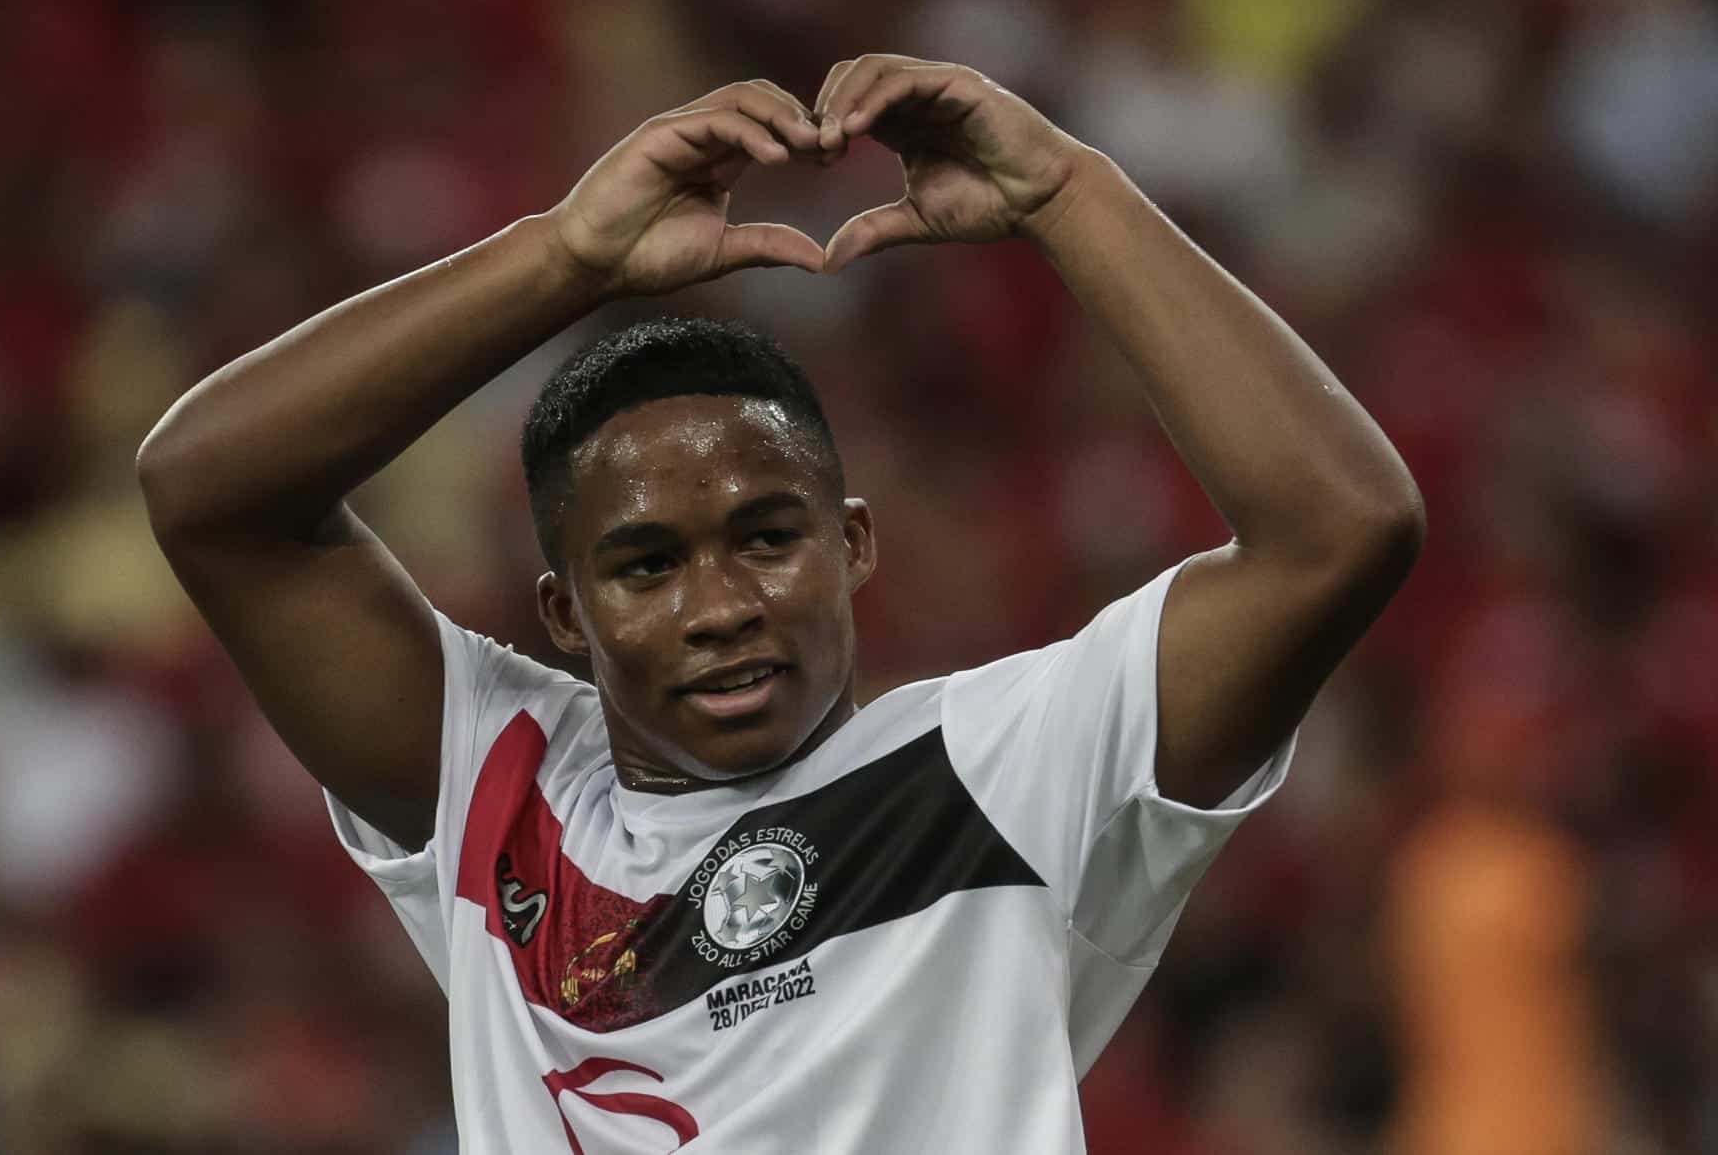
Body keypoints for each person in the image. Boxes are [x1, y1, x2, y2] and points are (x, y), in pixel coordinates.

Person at [138, 56, 1424, 1153]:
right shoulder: (497, 781)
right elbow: (208, 487)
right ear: (565, 611)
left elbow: (1340, 530)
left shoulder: (1005, 762)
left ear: (851, 544)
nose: (719, 606)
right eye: (646, 566)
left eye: (765, 538)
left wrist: (1070, 191)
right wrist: (568, 255)